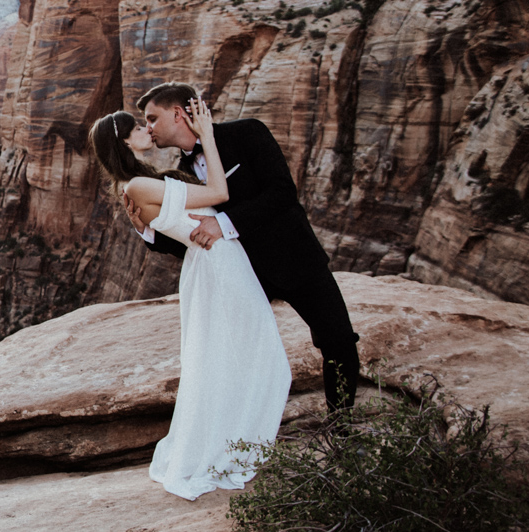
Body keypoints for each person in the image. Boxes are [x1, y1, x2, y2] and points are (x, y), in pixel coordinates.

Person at [90, 102, 291, 499]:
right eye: (140, 126)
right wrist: (209, 135)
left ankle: (231, 445)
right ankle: (229, 451)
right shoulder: (138, 186)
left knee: (236, 358)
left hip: (216, 263)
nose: (149, 129)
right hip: (220, 265)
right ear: (126, 140)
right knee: (262, 360)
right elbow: (219, 192)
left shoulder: (139, 183)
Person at [125, 83, 360, 414]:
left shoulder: (247, 133)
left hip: (295, 260)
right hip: (243, 275)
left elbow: (281, 193)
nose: (148, 128)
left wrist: (224, 223)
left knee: (338, 341)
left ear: (178, 113)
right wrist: (146, 231)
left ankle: (343, 430)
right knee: (237, 359)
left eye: (152, 118)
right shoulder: (179, 175)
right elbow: (194, 240)